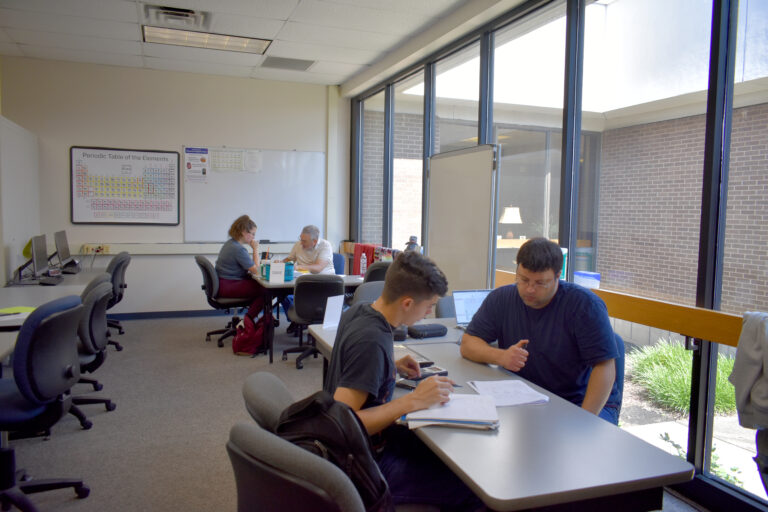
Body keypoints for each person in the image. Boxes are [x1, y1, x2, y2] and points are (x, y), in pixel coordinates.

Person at [324, 251, 484, 511]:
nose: (429, 313)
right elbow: (341, 422)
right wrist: (413, 400)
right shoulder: (372, 340)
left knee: (446, 458)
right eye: (429, 306)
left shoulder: (361, 311)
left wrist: (390, 366)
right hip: (364, 467)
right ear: (408, 303)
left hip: (365, 452)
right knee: (474, 489)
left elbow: (352, 364)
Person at [460, 237, 622, 424]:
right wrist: (501, 357)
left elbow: (604, 366)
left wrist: (585, 420)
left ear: (558, 276)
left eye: (540, 283)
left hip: (581, 402)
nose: (529, 289)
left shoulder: (584, 306)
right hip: (530, 397)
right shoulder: (502, 298)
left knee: (571, 444)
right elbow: (468, 343)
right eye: (523, 279)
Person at [215, 215, 264, 319]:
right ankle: (248, 320)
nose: (254, 238)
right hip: (228, 285)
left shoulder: (230, 243)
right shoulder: (238, 249)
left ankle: (251, 319)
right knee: (266, 290)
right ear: (243, 232)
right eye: (253, 234)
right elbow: (257, 271)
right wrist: (255, 249)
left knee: (260, 286)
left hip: (224, 283)